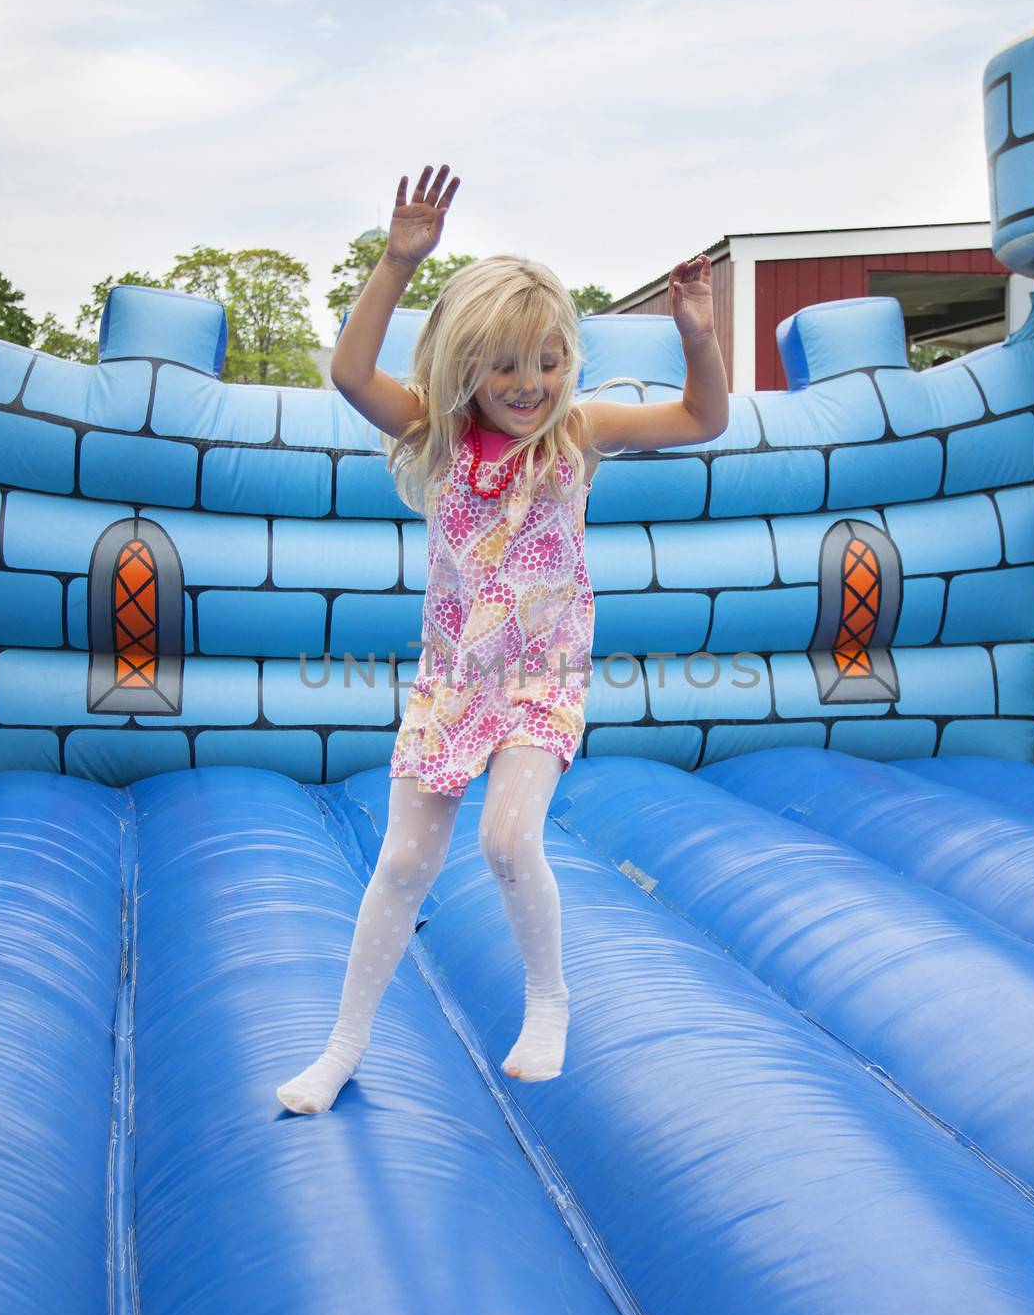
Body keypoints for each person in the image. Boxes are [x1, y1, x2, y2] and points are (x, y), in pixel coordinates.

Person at [277, 163, 729, 1113]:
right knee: (402, 862)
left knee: (509, 838)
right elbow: (351, 372)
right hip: (453, 679)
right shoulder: (433, 434)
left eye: (549, 362)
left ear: (570, 361)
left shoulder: (579, 434)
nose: (529, 386)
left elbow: (702, 418)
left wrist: (696, 336)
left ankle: (549, 997)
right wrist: (399, 262)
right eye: (505, 365)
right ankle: (342, 1043)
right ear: (464, 365)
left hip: (542, 672)